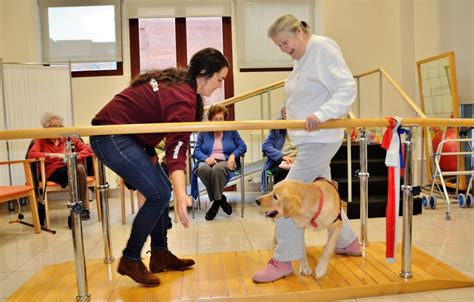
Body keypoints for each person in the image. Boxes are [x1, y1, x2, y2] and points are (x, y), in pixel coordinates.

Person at [90, 47, 229, 287]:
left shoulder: (180, 85)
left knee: (160, 188)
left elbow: (147, 120)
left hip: (127, 136)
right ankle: (131, 258)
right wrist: (180, 193)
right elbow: (176, 150)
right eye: (219, 79)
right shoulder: (182, 96)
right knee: (160, 194)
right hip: (111, 135)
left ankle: (160, 254)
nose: (219, 86)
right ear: (205, 74)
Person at [252, 14, 361, 283]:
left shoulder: (321, 47)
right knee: (323, 197)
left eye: (285, 42)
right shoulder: (302, 59)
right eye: (278, 46)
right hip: (308, 141)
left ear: (300, 32)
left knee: (288, 198)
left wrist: (322, 114)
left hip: (320, 139)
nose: (283, 49)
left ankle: (284, 260)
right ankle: (347, 241)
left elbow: (347, 87)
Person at [28, 113, 93, 224]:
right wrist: (54, 155)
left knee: (79, 169)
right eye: (54, 126)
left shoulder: (67, 137)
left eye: (60, 126)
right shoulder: (40, 139)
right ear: (46, 128)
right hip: (53, 172)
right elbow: (32, 154)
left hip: (69, 168)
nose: (58, 129)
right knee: (79, 170)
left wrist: (75, 156)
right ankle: (79, 209)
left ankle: (78, 209)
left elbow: (88, 149)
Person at [192, 104, 247, 221]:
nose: (218, 121)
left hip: (225, 160)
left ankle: (215, 205)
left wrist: (233, 156)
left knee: (217, 170)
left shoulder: (231, 131)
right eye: (215, 119)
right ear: (210, 120)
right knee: (202, 169)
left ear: (224, 120)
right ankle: (221, 199)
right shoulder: (203, 132)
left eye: (220, 119)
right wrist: (206, 158)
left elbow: (242, 146)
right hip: (207, 160)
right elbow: (196, 150)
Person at [260, 105, 296, 192]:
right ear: (283, 117)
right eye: (287, 115)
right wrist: (282, 156)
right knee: (281, 172)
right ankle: (279, 200)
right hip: (281, 161)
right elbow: (266, 146)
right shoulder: (277, 129)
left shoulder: (303, 128)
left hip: (299, 159)